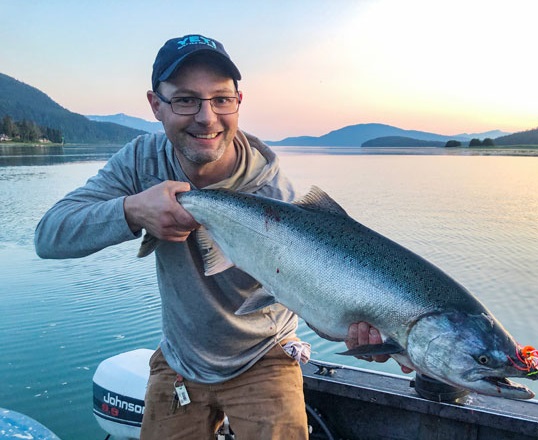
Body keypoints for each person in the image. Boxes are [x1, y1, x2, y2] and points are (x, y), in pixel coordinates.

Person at [34, 34, 402, 440]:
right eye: (186, 100)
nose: (207, 117)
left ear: (238, 103)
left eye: (221, 100)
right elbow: (50, 236)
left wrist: (369, 330)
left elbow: (319, 303)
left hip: (264, 357)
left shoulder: (276, 198)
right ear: (155, 105)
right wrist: (132, 210)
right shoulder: (141, 160)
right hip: (179, 360)